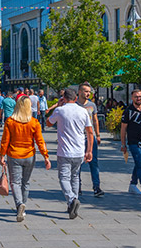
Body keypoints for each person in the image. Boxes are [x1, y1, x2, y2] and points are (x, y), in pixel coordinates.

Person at [0, 95, 51, 222]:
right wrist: (45, 156)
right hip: (29, 155)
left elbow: (5, 141)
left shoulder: (10, 122)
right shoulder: (34, 122)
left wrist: (1, 155)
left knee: (15, 182)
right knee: (25, 182)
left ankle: (19, 204)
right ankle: (23, 207)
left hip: (14, 155)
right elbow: (40, 141)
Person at [47, 88, 94, 219]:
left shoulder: (60, 110)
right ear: (75, 97)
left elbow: (48, 123)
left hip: (64, 151)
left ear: (64, 98)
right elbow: (90, 132)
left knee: (64, 178)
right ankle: (72, 204)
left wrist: (58, 106)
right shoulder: (83, 111)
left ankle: (72, 199)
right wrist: (89, 150)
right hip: (79, 150)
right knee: (75, 177)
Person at [77, 83, 104, 197]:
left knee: (94, 162)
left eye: (89, 91)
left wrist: (97, 135)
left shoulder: (92, 105)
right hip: (78, 137)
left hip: (90, 137)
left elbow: (95, 120)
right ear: (79, 92)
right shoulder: (75, 105)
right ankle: (77, 186)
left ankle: (96, 187)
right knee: (78, 163)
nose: (87, 93)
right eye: (85, 91)